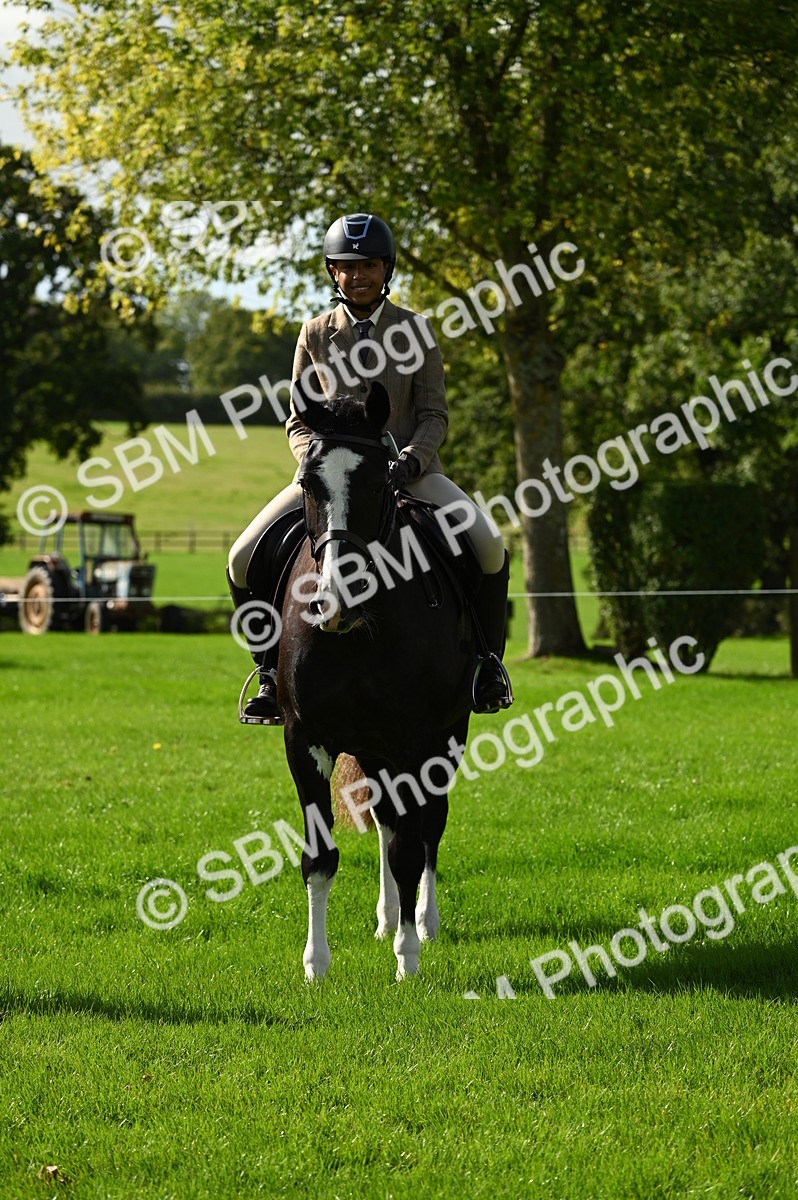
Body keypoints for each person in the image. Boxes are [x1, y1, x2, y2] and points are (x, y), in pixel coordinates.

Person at [227, 212, 513, 723]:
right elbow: (297, 420)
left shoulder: (416, 330)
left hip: (412, 474)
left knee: (489, 546)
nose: (358, 276)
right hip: (333, 480)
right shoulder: (314, 333)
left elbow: (434, 414)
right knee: (241, 556)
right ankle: (268, 671)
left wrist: (410, 461)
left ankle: (488, 665)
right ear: (332, 272)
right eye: (347, 266)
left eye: (369, 266)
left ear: (387, 270)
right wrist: (316, 465)